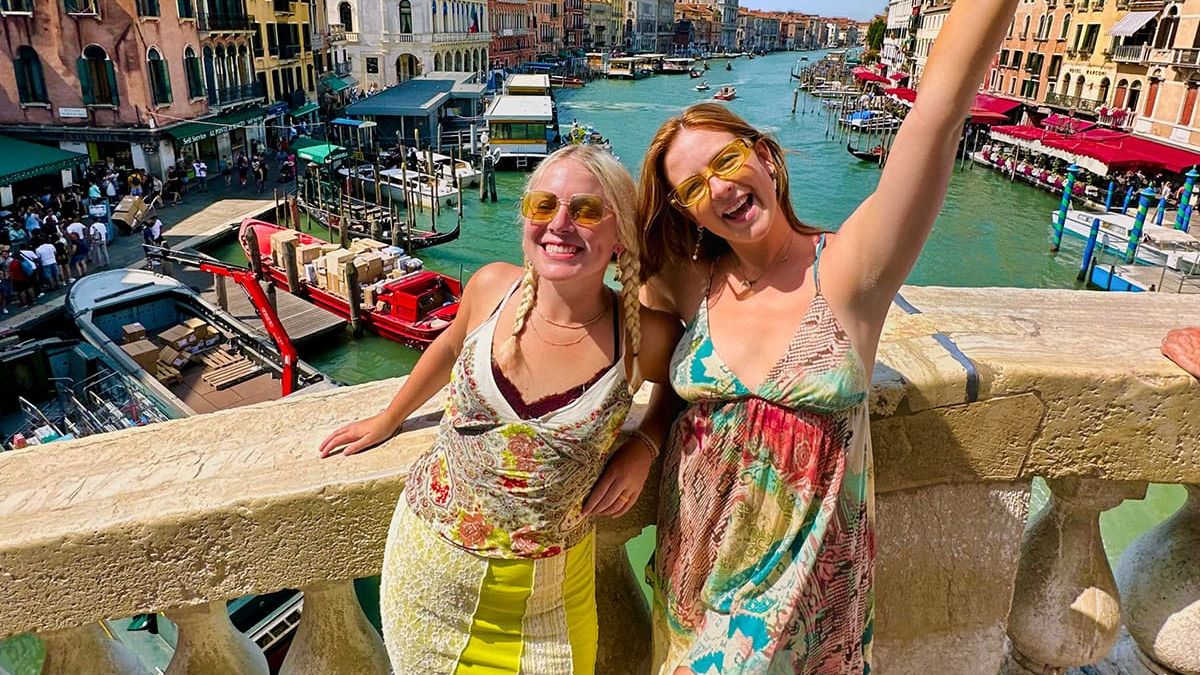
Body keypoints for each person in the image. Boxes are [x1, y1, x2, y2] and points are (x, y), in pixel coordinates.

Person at [634, 1, 1019, 671]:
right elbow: (599, 331)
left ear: (762, 152)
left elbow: (933, 117)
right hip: (690, 573)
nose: (719, 186)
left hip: (803, 603)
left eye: (725, 160)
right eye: (694, 185)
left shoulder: (846, 271)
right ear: (683, 209)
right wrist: (643, 436)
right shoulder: (685, 282)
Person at [317, 145, 681, 674]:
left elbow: (679, 389)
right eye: (543, 206)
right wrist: (388, 418)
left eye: (585, 211)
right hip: (429, 582)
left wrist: (645, 445)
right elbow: (446, 348)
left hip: (551, 601)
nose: (560, 224)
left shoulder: (644, 337)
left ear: (620, 233)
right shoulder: (491, 286)